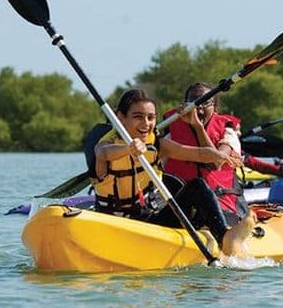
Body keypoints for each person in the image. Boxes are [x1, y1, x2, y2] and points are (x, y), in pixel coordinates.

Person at [92, 89, 241, 244]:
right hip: (113, 223)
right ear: (120, 118)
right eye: (138, 117)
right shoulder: (106, 145)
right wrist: (128, 148)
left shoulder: (158, 145)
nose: (146, 124)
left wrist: (219, 155)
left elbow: (194, 153)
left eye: (151, 117)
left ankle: (224, 238)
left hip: (151, 222)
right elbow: (102, 153)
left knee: (198, 186)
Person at [162, 82, 249, 224]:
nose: (199, 106)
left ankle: (227, 236)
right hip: (184, 206)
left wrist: (198, 127)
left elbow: (215, 163)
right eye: (194, 101)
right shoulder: (171, 134)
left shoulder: (228, 133)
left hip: (222, 206)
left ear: (215, 108)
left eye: (205, 102)